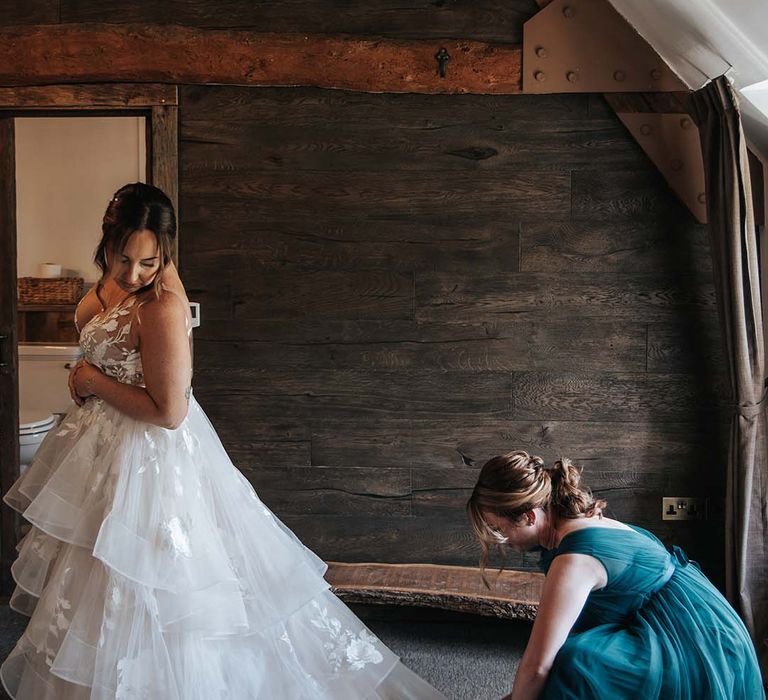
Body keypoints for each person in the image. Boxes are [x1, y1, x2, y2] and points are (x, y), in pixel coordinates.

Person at [1, 183, 446, 700]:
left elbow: (169, 412)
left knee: (162, 588)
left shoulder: (161, 305)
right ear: (107, 236)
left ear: (165, 254)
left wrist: (90, 381)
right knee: (96, 581)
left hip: (148, 461)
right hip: (100, 454)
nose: (134, 275)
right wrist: (87, 378)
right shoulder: (108, 289)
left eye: (149, 262)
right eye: (124, 259)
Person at [466, 450, 765, 700]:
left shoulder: (574, 560)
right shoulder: (580, 520)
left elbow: (537, 666)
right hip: (703, 618)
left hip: (694, 642)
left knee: (579, 663)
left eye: (500, 528)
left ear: (529, 517)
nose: (501, 539)